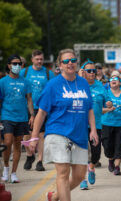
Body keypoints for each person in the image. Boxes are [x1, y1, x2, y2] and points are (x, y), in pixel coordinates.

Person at [28, 49, 99, 201]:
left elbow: (90, 108)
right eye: (66, 61)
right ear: (59, 65)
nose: (70, 64)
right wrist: (34, 137)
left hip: (79, 135)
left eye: (72, 60)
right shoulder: (52, 85)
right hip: (57, 132)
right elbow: (41, 113)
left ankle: (54, 197)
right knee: (63, 173)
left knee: (80, 175)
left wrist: (93, 130)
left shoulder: (84, 83)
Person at [78, 59, 112, 189]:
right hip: (80, 125)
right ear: (83, 72)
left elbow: (107, 102)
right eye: (89, 71)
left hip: (96, 125)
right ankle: (82, 179)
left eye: (94, 70)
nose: (92, 73)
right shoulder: (78, 85)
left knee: (96, 153)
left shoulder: (100, 86)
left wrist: (109, 104)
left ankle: (91, 168)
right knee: (81, 153)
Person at [0, 54, 34, 183]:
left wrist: (32, 115)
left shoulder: (26, 81)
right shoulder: (2, 82)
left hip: (22, 117)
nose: (17, 66)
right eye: (14, 64)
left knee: (17, 146)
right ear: (9, 65)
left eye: (19, 64)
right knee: (7, 142)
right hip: (7, 116)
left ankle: (14, 173)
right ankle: (6, 169)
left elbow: (29, 99)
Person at [20, 50, 55, 171]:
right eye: (37, 59)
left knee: (41, 135)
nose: (39, 61)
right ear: (32, 60)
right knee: (27, 134)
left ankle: (40, 161)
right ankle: (30, 156)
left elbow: (52, 90)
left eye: (41, 59)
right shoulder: (24, 72)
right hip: (26, 107)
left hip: (42, 108)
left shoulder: (48, 73)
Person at [101, 72, 121, 176]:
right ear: (109, 82)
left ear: (120, 83)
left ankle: (117, 167)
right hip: (107, 123)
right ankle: (110, 159)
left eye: (116, 78)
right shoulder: (105, 93)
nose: (113, 79)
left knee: (119, 145)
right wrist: (108, 109)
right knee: (107, 146)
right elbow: (100, 110)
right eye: (111, 78)